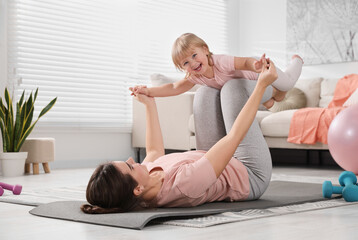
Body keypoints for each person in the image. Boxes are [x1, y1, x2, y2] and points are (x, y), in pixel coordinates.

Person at [81, 58, 278, 214]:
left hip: (216, 159)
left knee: (205, 93)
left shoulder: (146, 178)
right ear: (137, 190)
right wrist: (261, 87)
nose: (132, 159)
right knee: (233, 89)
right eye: (130, 166)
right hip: (249, 173)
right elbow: (234, 137)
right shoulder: (183, 186)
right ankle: (275, 91)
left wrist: (149, 104)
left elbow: (154, 150)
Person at [129, 33, 303, 109]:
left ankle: (297, 60)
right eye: (186, 63)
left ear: (205, 49)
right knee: (276, 99)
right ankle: (275, 96)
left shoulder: (219, 61)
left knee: (287, 83)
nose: (193, 63)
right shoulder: (195, 77)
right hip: (250, 88)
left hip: (257, 72)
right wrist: (148, 91)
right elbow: (174, 88)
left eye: (195, 55)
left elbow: (243, 62)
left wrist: (255, 66)